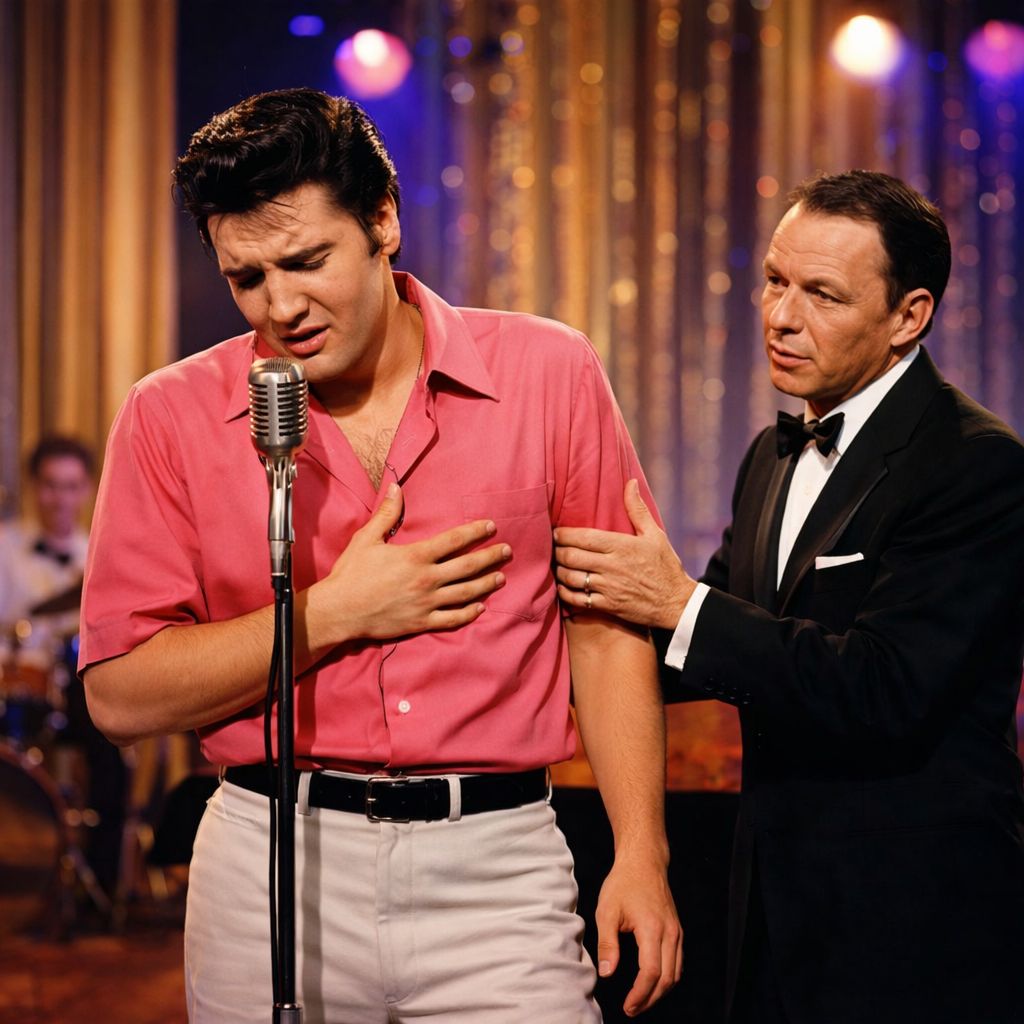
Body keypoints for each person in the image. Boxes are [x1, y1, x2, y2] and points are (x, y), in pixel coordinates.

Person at [79, 87, 680, 1022]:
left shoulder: (548, 372)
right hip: (269, 865)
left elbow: (605, 629)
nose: (281, 305)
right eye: (246, 278)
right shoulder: (168, 415)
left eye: (306, 261)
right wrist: (333, 614)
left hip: (498, 869)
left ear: (383, 222)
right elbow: (119, 696)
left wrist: (641, 850)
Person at [555, 170, 1024, 1024]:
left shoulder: (976, 464)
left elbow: (884, 688)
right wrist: (555, 637)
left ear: (909, 316)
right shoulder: (770, 456)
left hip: (918, 926)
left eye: (822, 294)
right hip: (773, 909)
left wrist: (677, 604)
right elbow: (713, 645)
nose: (780, 315)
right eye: (775, 280)